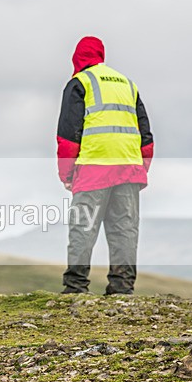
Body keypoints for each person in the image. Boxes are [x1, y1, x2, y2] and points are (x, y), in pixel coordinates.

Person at [56, 36, 154, 295]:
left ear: (77, 58)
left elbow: (67, 134)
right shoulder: (128, 85)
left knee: (83, 225)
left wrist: (67, 174)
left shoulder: (80, 83)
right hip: (129, 167)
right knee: (125, 228)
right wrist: (141, 168)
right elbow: (146, 136)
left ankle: (76, 286)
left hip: (93, 167)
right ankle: (122, 288)